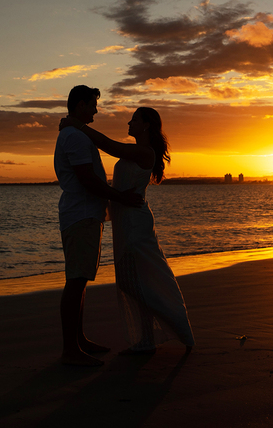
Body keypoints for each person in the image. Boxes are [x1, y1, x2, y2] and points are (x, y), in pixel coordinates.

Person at [59, 105, 195, 354]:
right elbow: (113, 149)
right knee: (131, 279)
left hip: (135, 220)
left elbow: (110, 146)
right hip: (124, 219)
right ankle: (147, 338)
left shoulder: (145, 152)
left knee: (133, 280)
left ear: (146, 125)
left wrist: (77, 125)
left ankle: (174, 323)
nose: (129, 124)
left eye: (134, 120)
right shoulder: (136, 151)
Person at [54, 85, 144, 367]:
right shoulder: (74, 136)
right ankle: (70, 350)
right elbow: (88, 180)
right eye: (93, 104)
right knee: (76, 280)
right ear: (81, 105)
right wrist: (120, 197)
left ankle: (79, 340)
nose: (96, 109)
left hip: (85, 214)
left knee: (80, 279)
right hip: (81, 215)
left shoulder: (77, 133)